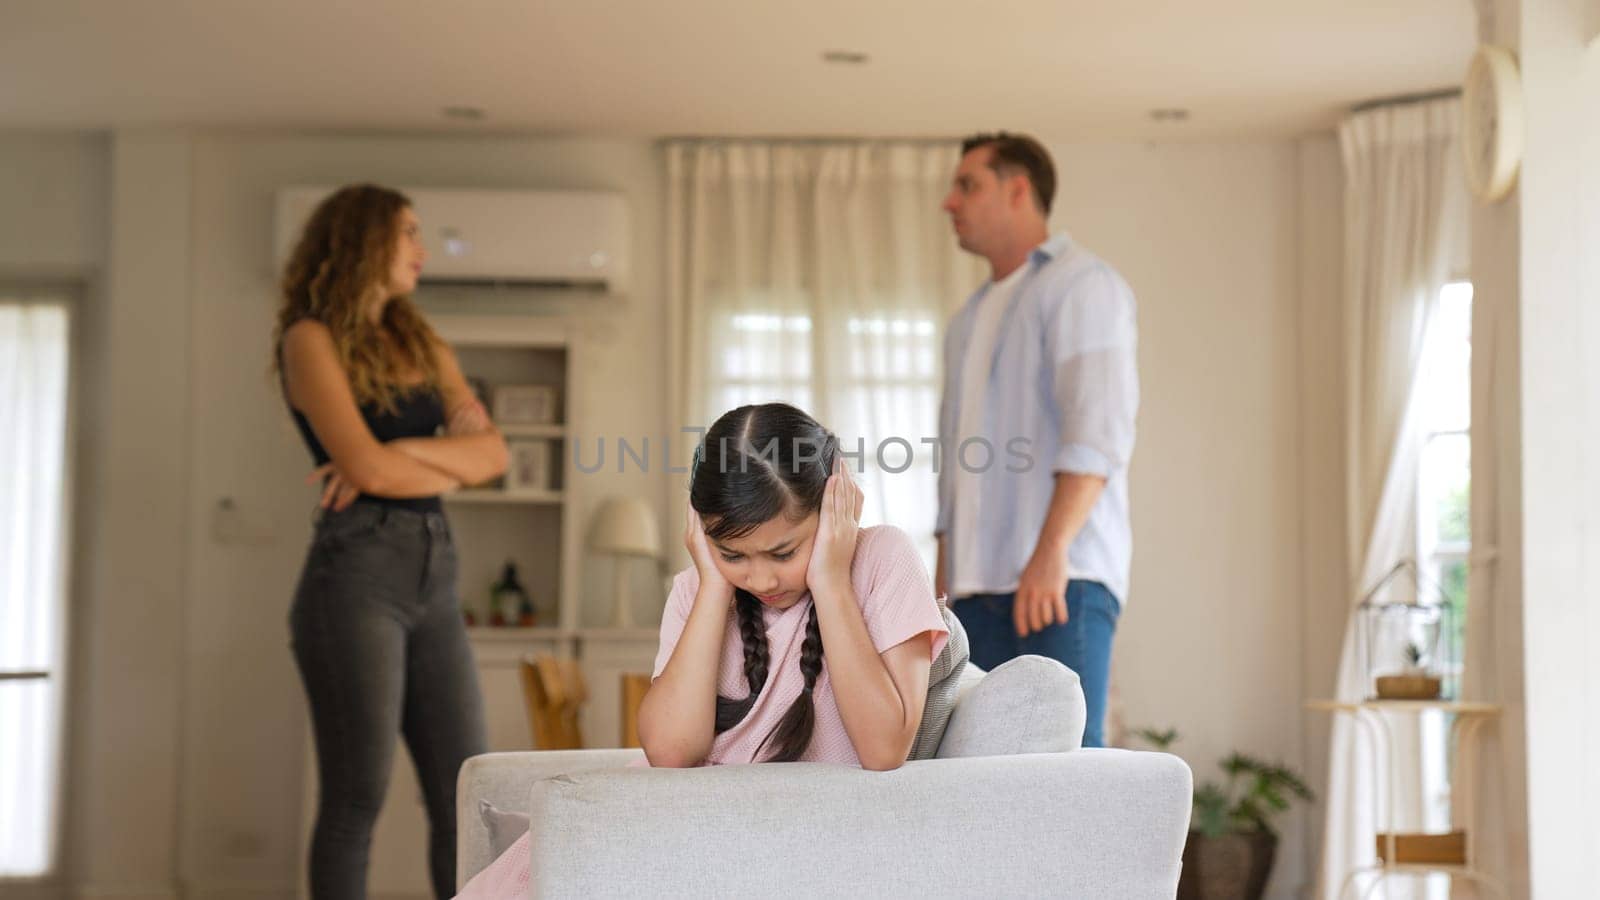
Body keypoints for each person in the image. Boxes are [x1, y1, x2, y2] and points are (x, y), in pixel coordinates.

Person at [457, 402, 950, 897]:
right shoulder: (698, 589)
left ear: (835, 507)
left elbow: (884, 750)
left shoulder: (883, 560)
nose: (760, 578)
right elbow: (670, 754)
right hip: (672, 828)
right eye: (733, 554)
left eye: (784, 552)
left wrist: (830, 579)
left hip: (747, 847)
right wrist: (714, 585)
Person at [273, 184, 509, 898]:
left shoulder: (419, 338)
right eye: (408, 233)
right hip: (354, 575)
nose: (422, 250)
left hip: (434, 571)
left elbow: (495, 456)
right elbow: (365, 468)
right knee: (356, 797)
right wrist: (437, 453)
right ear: (363, 240)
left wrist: (399, 452)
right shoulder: (307, 339)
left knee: (465, 793)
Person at [934, 132, 1139, 748]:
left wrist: (1051, 554)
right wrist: (939, 600)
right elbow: (955, 470)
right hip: (973, 595)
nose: (950, 202)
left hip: (1057, 583)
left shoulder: (1083, 286)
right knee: (977, 780)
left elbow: (1096, 433)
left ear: (1017, 190)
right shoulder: (968, 319)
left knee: (1067, 779)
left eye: (967, 185)